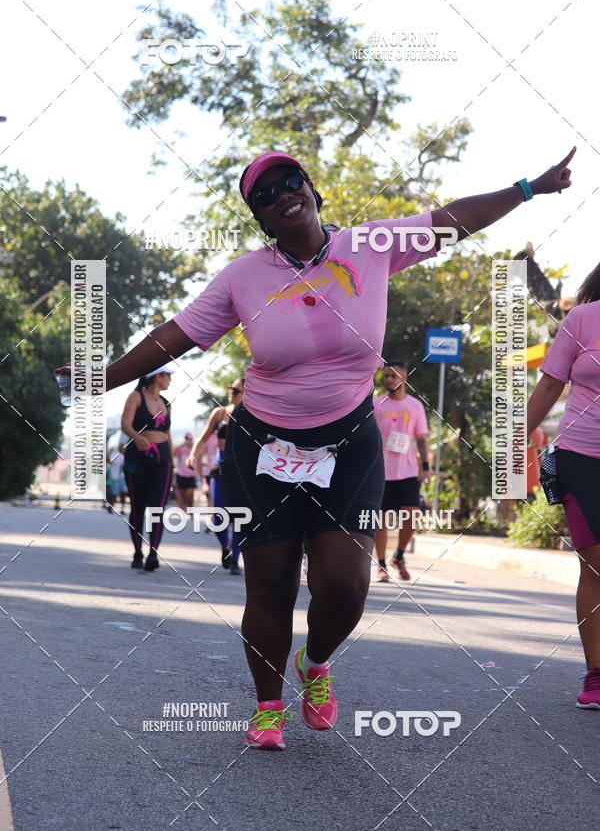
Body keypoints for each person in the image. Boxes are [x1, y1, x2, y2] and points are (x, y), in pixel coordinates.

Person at [57, 145, 574, 748]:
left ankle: (317, 662)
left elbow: (454, 219)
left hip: (348, 440)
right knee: (270, 582)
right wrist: (98, 377)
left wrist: (528, 187)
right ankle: (269, 705)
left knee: (347, 586)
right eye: (266, 194)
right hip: (263, 446)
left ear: (312, 188)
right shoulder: (242, 279)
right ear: (260, 217)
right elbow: (170, 338)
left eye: (290, 181)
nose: (283, 194)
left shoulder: (370, 246)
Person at [526, 261, 600, 708]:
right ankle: (596, 674)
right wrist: (516, 445)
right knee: (594, 561)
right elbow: (550, 384)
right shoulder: (582, 319)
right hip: (580, 455)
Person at [373, 361, 430, 582]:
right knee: (382, 520)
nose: (389, 379)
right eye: (386, 376)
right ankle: (380, 565)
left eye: (393, 376)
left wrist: (425, 468)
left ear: (404, 379)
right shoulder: (377, 405)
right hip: (381, 471)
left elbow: (422, 439)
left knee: (413, 515)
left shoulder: (415, 406)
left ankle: (399, 555)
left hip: (407, 471)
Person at [188, 380, 245, 574]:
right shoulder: (220, 413)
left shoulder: (254, 413)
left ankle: (236, 560)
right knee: (218, 517)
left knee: (239, 517)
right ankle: (226, 548)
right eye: (230, 389)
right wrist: (193, 455)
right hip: (220, 467)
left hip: (242, 470)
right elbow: (203, 437)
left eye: (236, 390)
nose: (231, 392)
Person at [121, 366, 174, 571]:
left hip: (162, 457)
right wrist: (137, 437)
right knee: (138, 506)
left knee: (158, 507)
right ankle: (137, 551)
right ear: (156, 376)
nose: (170, 380)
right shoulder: (136, 397)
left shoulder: (166, 403)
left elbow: (168, 434)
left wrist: (173, 465)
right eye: (167, 376)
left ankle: (153, 553)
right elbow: (125, 424)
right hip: (138, 455)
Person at [173, 433, 197, 512]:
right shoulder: (181, 447)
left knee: (190, 494)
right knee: (182, 495)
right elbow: (173, 453)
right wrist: (182, 444)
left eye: (190, 439)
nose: (188, 440)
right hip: (181, 474)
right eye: (187, 439)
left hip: (191, 475)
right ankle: (182, 512)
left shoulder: (194, 447)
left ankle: (190, 511)